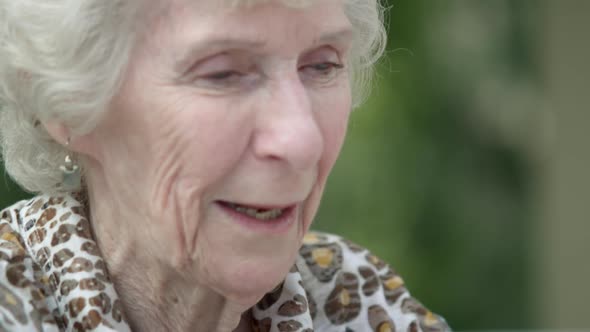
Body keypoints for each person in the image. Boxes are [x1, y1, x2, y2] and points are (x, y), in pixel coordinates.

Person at [0, 0, 450, 331]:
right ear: (67, 107)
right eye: (223, 73)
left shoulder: (352, 295)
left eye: (321, 66)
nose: (303, 140)